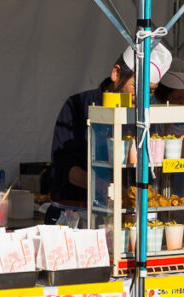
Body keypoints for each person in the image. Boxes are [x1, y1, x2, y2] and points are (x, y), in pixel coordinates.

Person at [50, 43, 172, 207]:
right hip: (79, 208)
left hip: (130, 211)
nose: (142, 97)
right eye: (136, 86)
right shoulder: (77, 105)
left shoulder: (147, 116)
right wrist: (104, 186)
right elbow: (64, 166)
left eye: (150, 91)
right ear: (116, 73)